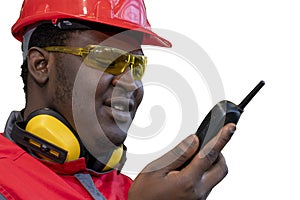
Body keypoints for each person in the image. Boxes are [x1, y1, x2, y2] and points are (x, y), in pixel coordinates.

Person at [0, 0, 236, 199]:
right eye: (107, 60)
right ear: (40, 65)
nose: (131, 83)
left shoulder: (131, 190)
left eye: (137, 66)